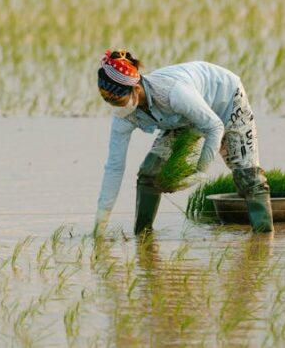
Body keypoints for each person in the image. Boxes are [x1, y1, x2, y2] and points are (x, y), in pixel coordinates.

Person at [94, 49, 274, 235]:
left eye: (118, 101)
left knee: (248, 177)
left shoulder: (174, 93)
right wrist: (101, 220)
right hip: (181, 116)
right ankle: (142, 237)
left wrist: (200, 172)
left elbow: (214, 127)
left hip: (227, 98)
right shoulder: (123, 117)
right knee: (150, 174)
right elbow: (114, 168)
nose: (116, 107)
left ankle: (263, 240)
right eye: (109, 102)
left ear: (136, 89)